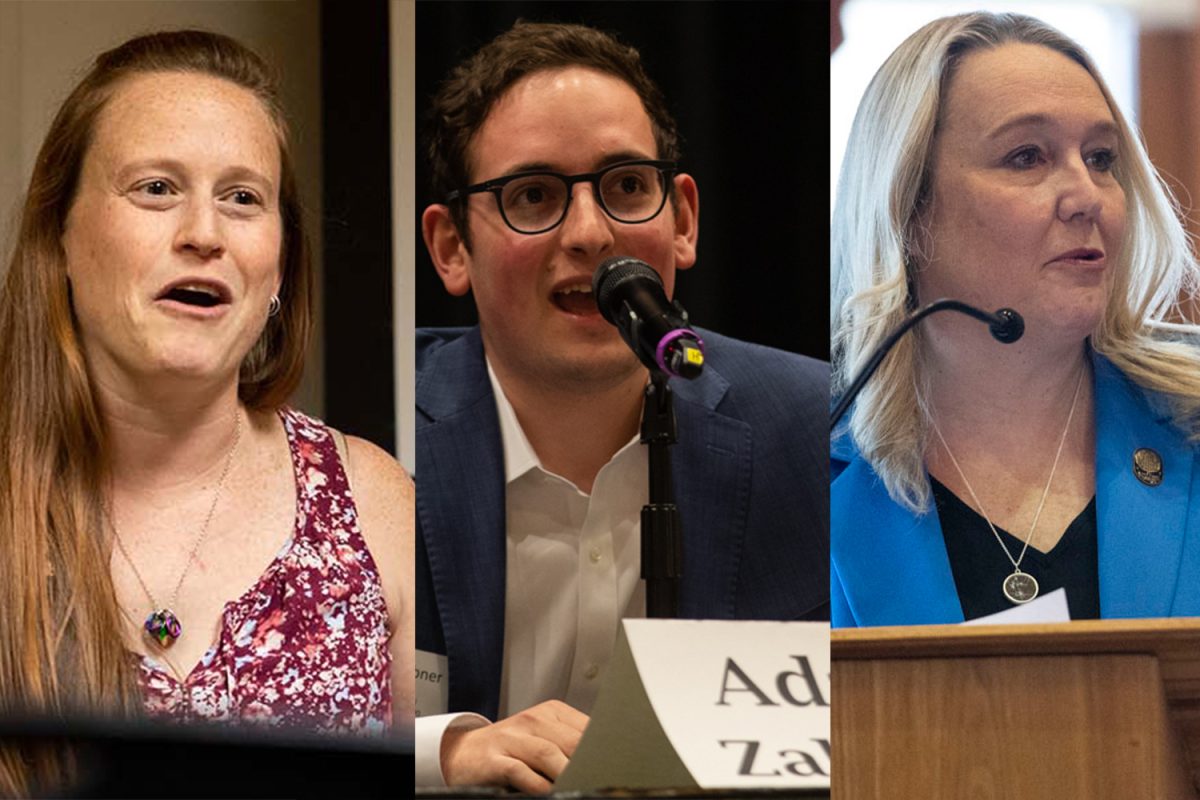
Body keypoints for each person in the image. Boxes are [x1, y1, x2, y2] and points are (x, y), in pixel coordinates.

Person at [416, 20, 829, 792]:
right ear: (450, 249)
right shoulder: (373, 434)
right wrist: (440, 755)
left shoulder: (817, 431)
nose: (591, 233)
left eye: (626, 186)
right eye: (532, 195)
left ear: (684, 220)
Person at [0, 30, 413, 794]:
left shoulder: (376, 505)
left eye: (243, 198)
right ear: (60, 234)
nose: (203, 234)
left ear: (281, 263)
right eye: (156, 188)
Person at [831, 12, 1200, 627]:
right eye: (1027, 156)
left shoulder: (1189, 424)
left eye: (1102, 157)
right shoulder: (806, 461)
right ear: (908, 206)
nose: (1087, 196)